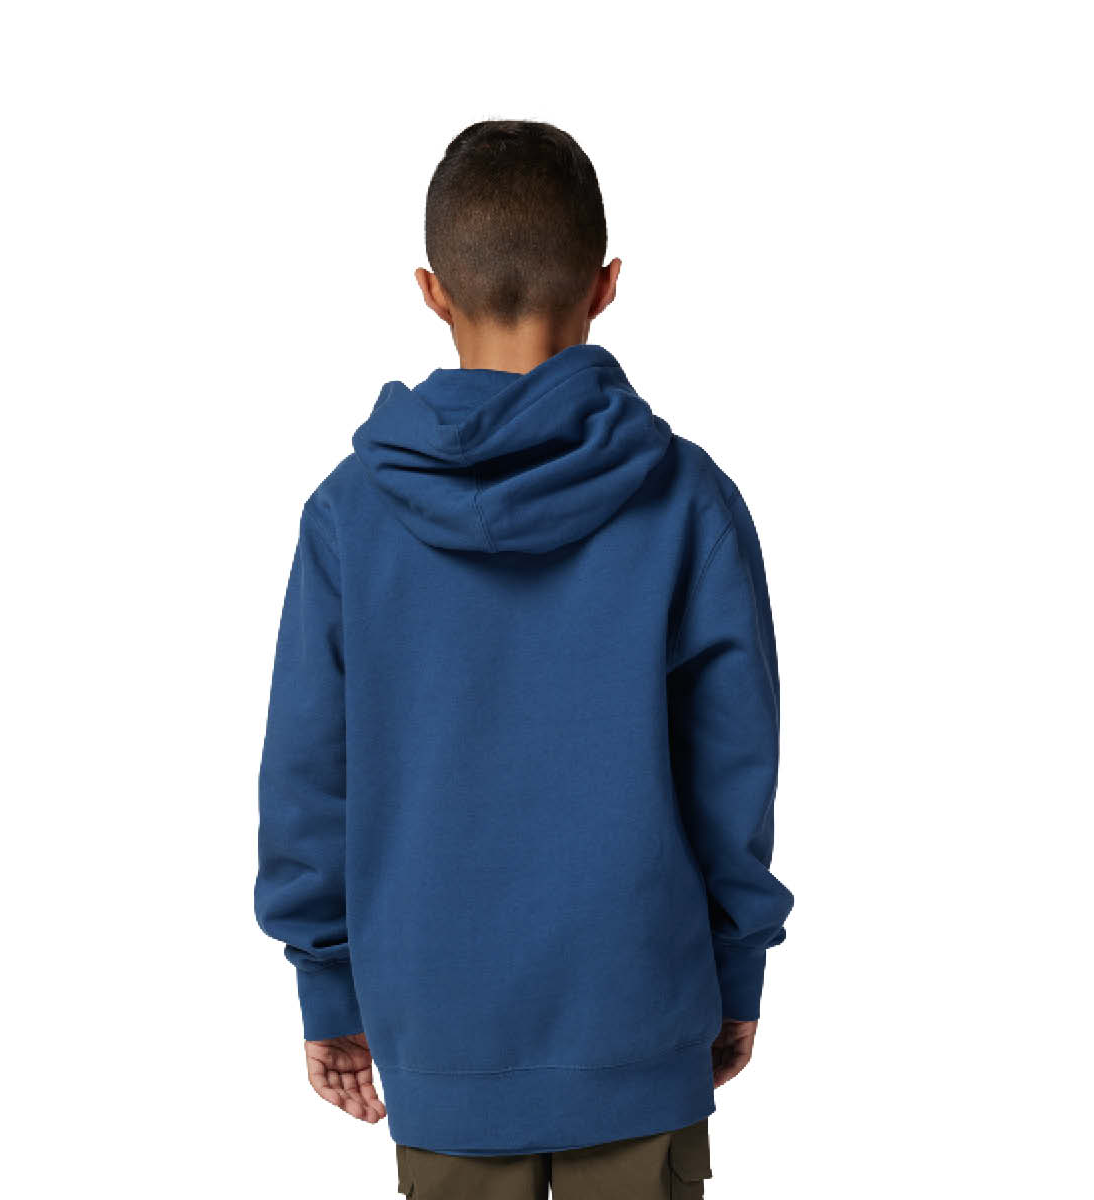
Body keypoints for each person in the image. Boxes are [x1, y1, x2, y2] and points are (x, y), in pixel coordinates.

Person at [254, 118, 793, 1200]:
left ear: (430, 291)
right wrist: (735, 969)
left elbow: (309, 777)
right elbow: (735, 769)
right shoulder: (689, 501)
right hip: (641, 1016)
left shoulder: (350, 516)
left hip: (440, 1027)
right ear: (606, 285)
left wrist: (329, 986)